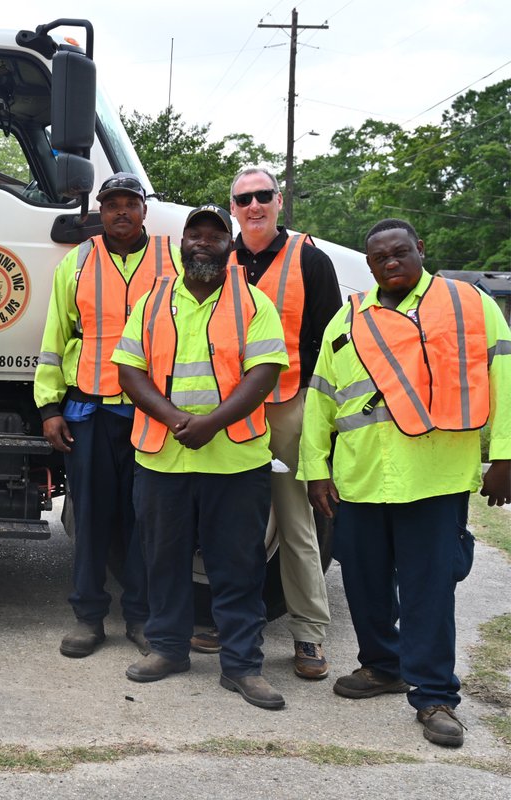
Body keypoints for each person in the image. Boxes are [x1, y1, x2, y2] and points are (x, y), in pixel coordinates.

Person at [300, 219, 510, 748]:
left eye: (399, 252)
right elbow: (321, 399)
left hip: (433, 477)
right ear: (368, 265)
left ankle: (435, 694)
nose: (390, 262)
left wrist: (505, 454)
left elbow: (504, 376)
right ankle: (381, 665)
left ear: (421, 247)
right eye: (378, 258)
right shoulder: (347, 319)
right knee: (363, 581)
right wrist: (315, 470)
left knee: (427, 588)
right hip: (362, 476)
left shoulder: (468, 304)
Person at [113, 204, 289, 710]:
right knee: (161, 562)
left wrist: (211, 423)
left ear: (229, 247)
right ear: (182, 244)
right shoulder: (152, 302)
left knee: (239, 567)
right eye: (196, 234)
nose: (204, 242)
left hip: (234, 462)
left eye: (215, 235)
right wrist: (173, 420)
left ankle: (241, 666)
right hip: (162, 459)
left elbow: (264, 375)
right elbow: (129, 370)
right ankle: (167, 649)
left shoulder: (254, 304)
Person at [34, 172, 177, 659]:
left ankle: (141, 617)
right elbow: (55, 338)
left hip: (150, 413)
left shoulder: (172, 260)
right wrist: (50, 407)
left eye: (129, 204)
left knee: (144, 520)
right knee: (91, 517)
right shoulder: (76, 263)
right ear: (100, 211)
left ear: (144, 211)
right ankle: (88, 617)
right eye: (111, 204)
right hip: (90, 409)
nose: (120, 212)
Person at [226, 166, 338, 679]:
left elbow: (329, 341)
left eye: (263, 196)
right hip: (228, 406)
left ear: (279, 200)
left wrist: (316, 413)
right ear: (233, 207)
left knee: (295, 523)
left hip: (290, 403)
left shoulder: (311, 261)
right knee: (230, 522)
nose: (254, 206)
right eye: (244, 198)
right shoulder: (218, 259)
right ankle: (231, 627)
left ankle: (309, 637)